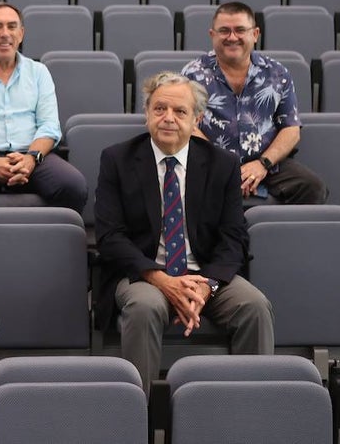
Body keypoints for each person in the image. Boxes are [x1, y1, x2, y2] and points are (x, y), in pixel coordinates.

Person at [95, 71, 274, 390]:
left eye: (180, 111)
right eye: (160, 108)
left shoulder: (223, 164)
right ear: (146, 113)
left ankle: (252, 410)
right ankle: (140, 416)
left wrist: (205, 286)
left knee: (254, 306)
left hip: (204, 274)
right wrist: (161, 279)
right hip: (143, 274)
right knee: (144, 307)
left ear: (197, 119)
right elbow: (110, 237)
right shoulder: (117, 159)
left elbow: (234, 237)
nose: (168, 118)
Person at [0, 2, 88, 230]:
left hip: (32, 155)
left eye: (12, 27)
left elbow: (49, 126)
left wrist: (30, 159)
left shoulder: (38, 72)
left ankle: (51, 243)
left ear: (20, 34)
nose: (5, 34)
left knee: (73, 185)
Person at [180, 2, 328, 205]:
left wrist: (262, 164)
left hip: (266, 162)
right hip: (211, 162)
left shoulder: (277, 73)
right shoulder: (192, 74)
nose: (232, 37)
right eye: (224, 31)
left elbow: (291, 129)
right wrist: (221, 165)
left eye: (240, 30)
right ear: (212, 35)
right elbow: (187, 126)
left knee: (312, 187)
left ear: (255, 34)